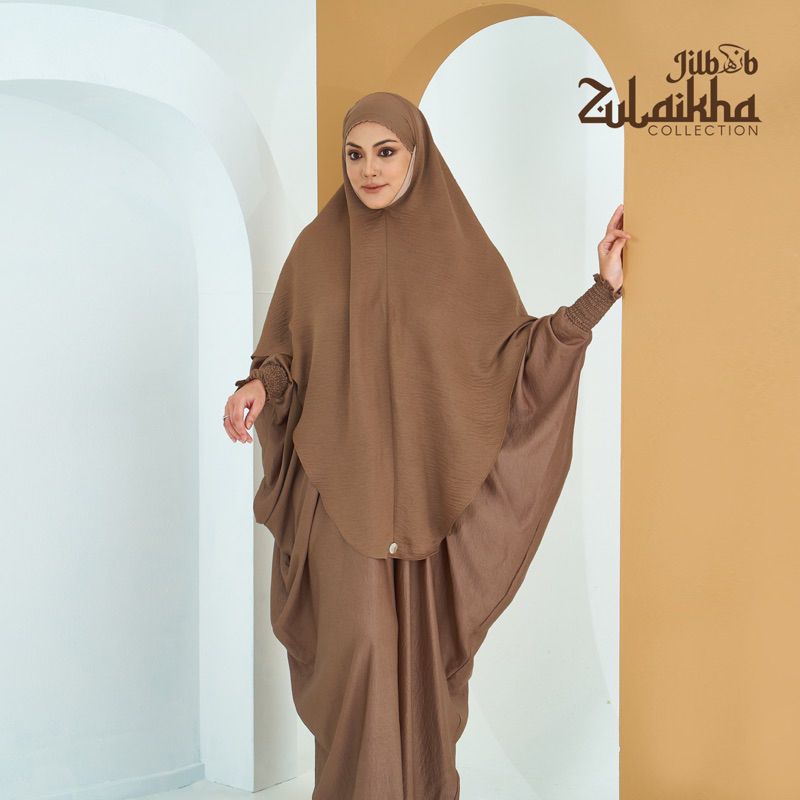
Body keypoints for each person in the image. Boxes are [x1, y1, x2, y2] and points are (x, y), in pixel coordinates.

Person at [223, 92, 628, 800]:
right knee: (357, 655)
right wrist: (259, 385)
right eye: (355, 154)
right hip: (337, 491)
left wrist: (600, 292)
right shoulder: (315, 251)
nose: (369, 170)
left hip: (427, 497)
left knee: (419, 671)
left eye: (386, 152)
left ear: (417, 155)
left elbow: (517, 360)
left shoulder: (463, 254)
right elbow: (285, 354)